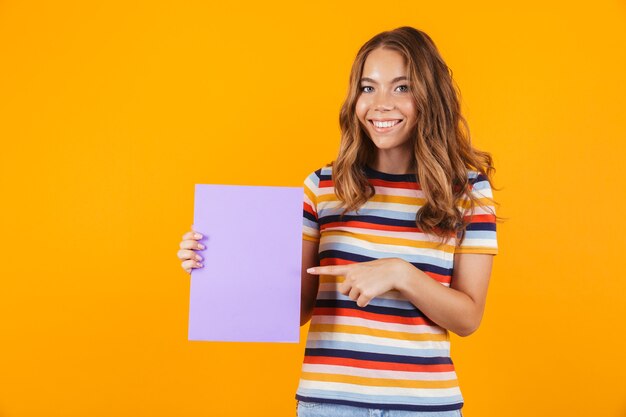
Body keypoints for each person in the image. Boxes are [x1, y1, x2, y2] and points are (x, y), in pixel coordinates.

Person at [177, 26, 499, 417]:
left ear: (429, 97)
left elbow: (468, 319)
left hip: (424, 408)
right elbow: (294, 310)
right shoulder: (323, 187)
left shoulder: (466, 192)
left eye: (401, 88)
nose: (381, 104)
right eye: (368, 88)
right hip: (329, 405)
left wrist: (401, 274)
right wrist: (216, 263)